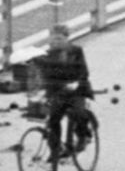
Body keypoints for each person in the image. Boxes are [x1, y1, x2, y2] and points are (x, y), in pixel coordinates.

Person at [39, 24, 92, 162]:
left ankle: (82, 136)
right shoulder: (47, 55)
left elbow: (84, 71)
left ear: (67, 38)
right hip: (59, 91)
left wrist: (76, 83)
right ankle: (55, 150)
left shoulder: (76, 51)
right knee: (53, 120)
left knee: (78, 112)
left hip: (77, 90)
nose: (56, 42)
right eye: (54, 39)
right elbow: (46, 76)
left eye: (60, 39)